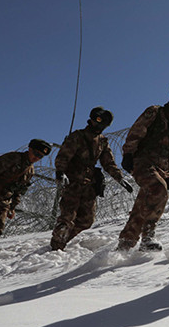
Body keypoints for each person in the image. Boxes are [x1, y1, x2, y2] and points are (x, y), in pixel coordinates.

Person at [116, 80, 169, 252]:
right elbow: (135, 132)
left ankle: (125, 244)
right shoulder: (155, 113)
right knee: (158, 190)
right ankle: (147, 238)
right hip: (143, 162)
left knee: (143, 204)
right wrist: (128, 154)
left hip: (163, 170)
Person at [50, 107, 134, 251]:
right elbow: (63, 156)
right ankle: (55, 248)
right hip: (73, 182)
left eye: (104, 124)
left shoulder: (102, 142)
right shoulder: (78, 136)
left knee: (86, 220)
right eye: (99, 122)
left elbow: (108, 163)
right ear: (92, 120)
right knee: (67, 218)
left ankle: (62, 241)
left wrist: (119, 178)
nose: (100, 126)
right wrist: (60, 172)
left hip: (89, 185)